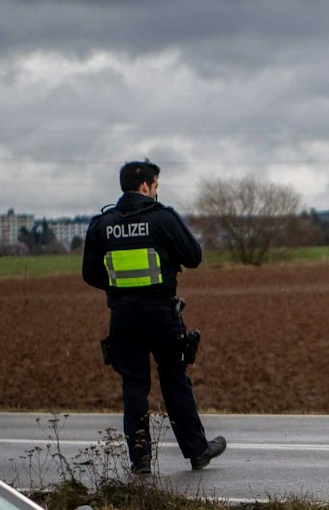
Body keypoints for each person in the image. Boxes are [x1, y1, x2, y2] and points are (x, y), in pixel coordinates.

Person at [80, 160, 225, 474]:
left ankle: (141, 461)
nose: (157, 192)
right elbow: (194, 257)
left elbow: (89, 273)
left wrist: (122, 289)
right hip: (161, 313)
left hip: (123, 316)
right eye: (156, 186)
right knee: (174, 378)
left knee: (134, 385)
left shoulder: (102, 224)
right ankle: (197, 451)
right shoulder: (162, 217)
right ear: (146, 186)